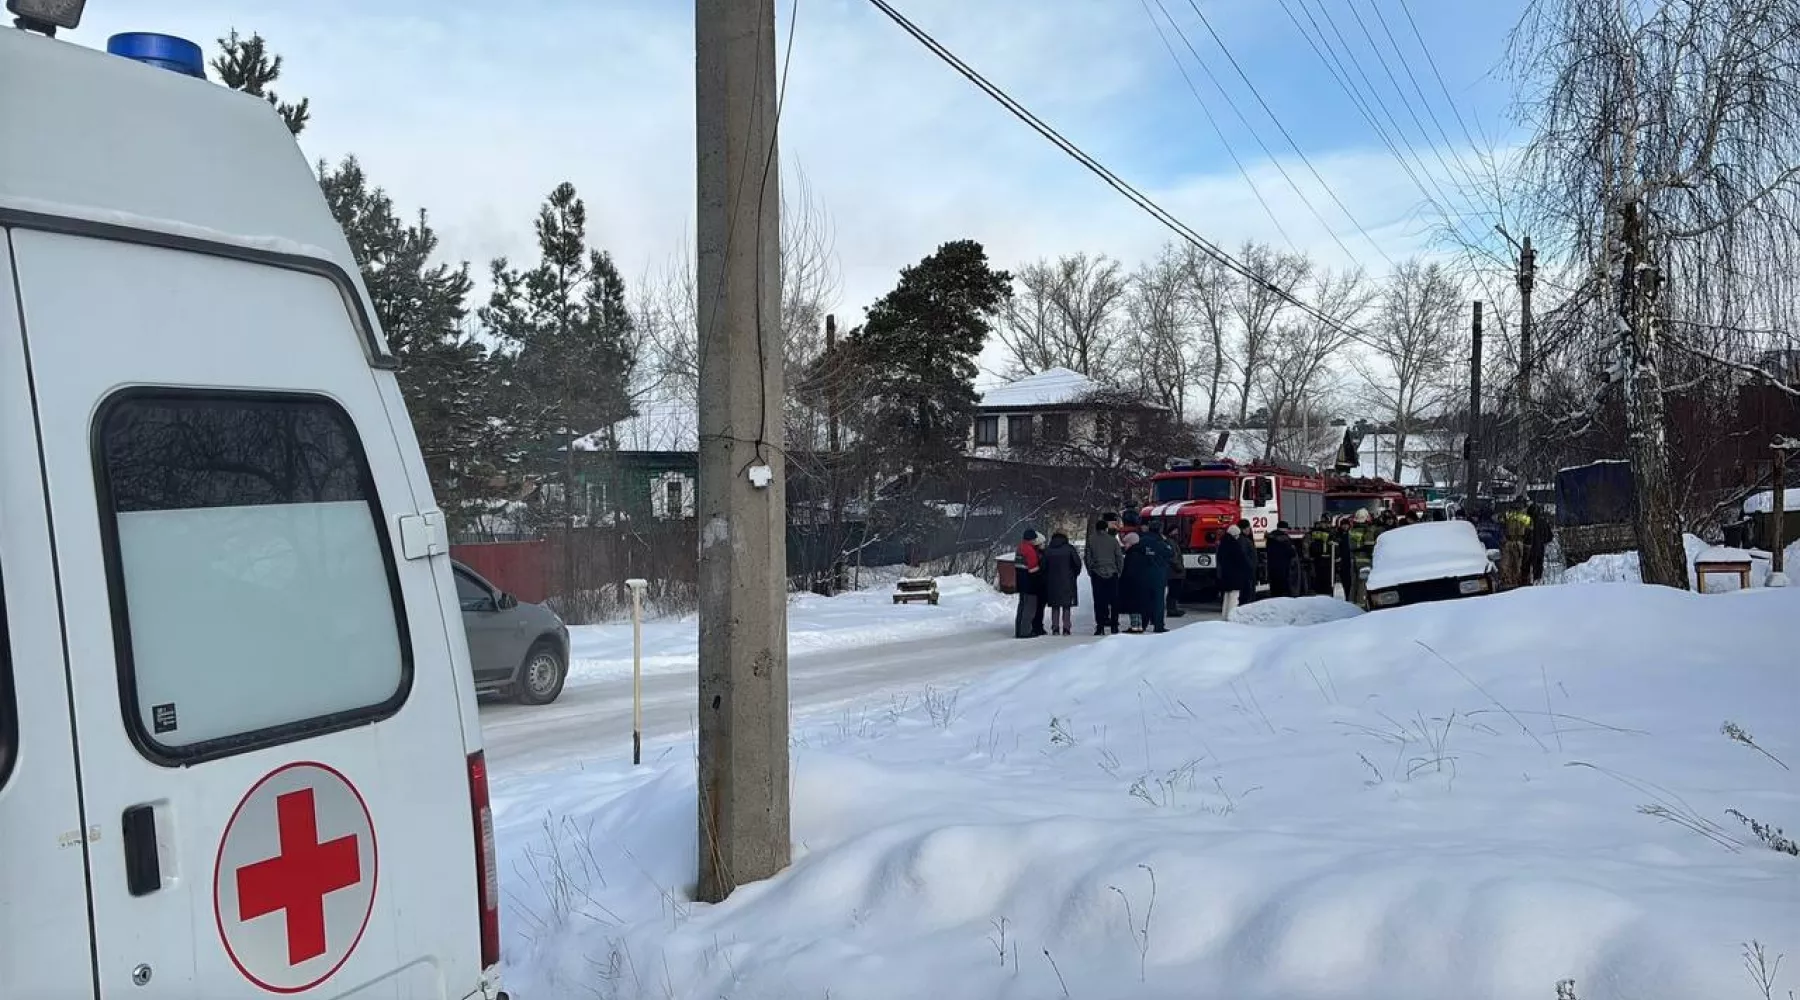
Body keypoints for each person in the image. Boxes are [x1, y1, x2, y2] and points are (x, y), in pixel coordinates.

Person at [1125, 521, 1174, 633]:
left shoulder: (1142, 541)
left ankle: (1143, 624)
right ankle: (1158, 625)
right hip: (1158, 575)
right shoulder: (1161, 542)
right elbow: (1170, 553)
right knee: (1158, 601)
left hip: (1143, 574)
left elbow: (1133, 552)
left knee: (1144, 600)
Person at [1084, 516, 1123, 635]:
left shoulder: (1091, 540)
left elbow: (1087, 557)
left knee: (1099, 600)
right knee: (1114, 600)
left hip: (1097, 572)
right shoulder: (1113, 540)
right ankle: (1114, 626)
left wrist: (1091, 570)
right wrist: (1118, 571)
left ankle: (1100, 626)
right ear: (1106, 529)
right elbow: (1119, 557)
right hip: (1112, 572)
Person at [1041, 531, 1083, 635]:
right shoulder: (1070, 549)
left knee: (1055, 606)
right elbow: (1077, 563)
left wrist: (1047, 577)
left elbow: (1043, 567)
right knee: (1066, 605)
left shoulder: (1048, 550)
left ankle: (1055, 628)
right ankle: (1066, 628)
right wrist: (1074, 575)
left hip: (1052, 582)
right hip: (1068, 581)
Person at [1216, 523, 1253, 620]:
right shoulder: (1234, 546)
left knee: (1227, 597)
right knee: (1234, 597)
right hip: (1235, 576)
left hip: (1225, 575)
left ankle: (1224, 615)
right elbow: (1241, 560)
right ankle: (1231, 617)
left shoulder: (1222, 544)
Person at [1013, 529, 1045, 639]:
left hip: (1020, 582)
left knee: (1021, 607)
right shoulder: (1030, 550)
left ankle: (1019, 630)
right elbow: (1033, 569)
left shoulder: (1020, 548)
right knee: (1029, 608)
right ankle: (1025, 632)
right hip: (1029, 584)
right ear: (1032, 539)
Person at [1117, 530, 1145, 632]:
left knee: (1133, 605)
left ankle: (1134, 626)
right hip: (1140, 582)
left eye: (1126, 543)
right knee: (1138, 605)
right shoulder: (1141, 552)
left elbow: (1128, 571)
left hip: (1132, 583)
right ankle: (1139, 625)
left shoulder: (1132, 555)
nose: (1125, 546)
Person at [1500, 502, 1531, 589]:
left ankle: (1511, 581)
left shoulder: (1509, 515)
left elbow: (1500, 521)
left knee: (1511, 564)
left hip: (1513, 541)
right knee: (1515, 564)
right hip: (1516, 542)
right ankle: (1513, 581)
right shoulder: (1524, 517)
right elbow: (1530, 528)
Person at [1266, 521, 1298, 598]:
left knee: (1274, 586)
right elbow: (1291, 552)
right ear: (1284, 528)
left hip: (1272, 565)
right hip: (1283, 566)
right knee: (1283, 587)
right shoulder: (1285, 539)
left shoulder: (1270, 537)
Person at [1164, 524, 1188, 618]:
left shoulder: (1173, 541)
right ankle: (1172, 609)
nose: (1177, 533)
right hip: (1174, 572)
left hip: (1175, 572)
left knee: (1175, 591)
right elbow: (1172, 557)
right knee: (1173, 591)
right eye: (1175, 531)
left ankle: (1173, 608)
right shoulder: (1170, 542)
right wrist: (1179, 567)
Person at [1527, 502, 1554, 584]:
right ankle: (1537, 581)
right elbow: (1549, 537)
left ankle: (1528, 582)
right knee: (1538, 568)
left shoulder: (1526, 522)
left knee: (1527, 567)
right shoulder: (1543, 522)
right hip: (1540, 549)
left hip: (1528, 549)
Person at [1308, 516, 1335, 596]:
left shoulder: (1327, 532)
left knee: (1326, 576)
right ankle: (1322, 591)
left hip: (1328, 557)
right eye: (1323, 523)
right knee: (1320, 575)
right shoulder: (1319, 532)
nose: (1325, 524)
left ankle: (1325, 591)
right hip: (1320, 557)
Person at [1236, 518, 1258, 608]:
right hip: (1247, 571)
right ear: (1243, 529)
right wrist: (1251, 566)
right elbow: (1245, 556)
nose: (1250, 530)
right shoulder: (1243, 540)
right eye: (1248, 528)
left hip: (1247, 570)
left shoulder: (1243, 539)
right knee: (1248, 593)